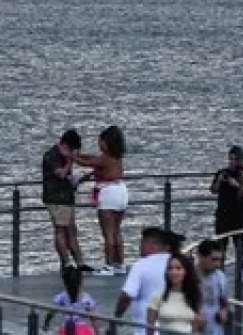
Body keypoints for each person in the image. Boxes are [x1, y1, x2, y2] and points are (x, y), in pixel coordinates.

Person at [75, 125, 129, 275]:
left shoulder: (104, 159)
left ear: (107, 143)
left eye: (101, 141)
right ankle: (120, 264)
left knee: (108, 233)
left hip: (109, 193)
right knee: (117, 231)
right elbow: (92, 158)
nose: (99, 143)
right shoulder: (116, 158)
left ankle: (109, 265)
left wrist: (72, 157)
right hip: (121, 191)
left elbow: (86, 163)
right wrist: (80, 154)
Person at [114, 227, 174, 335]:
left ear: (151, 245)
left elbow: (127, 296)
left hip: (146, 328)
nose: (139, 247)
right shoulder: (178, 264)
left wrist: (117, 315)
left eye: (142, 243)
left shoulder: (141, 265)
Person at [42, 129, 87, 271]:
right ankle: (66, 263)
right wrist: (70, 160)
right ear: (65, 145)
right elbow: (61, 174)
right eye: (71, 149)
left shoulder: (64, 155)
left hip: (67, 198)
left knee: (72, 231)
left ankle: (80, 263)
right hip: (56, 199)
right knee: (60, 230)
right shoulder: (52, 155)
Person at [208, 147, 243, 270]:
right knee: (221, 246)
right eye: (230, 159)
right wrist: (219, 180)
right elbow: (213, 190)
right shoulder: (222, 172)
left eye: (235, 159)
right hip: (223, 215)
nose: (232, 162)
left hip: (238, 216)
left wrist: (237, 185)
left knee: (240, 246)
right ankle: (219, 271)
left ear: (240, 160)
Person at [145, 252, 204, 335]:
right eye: (170, 268)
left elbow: (196, 329)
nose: (173, 272)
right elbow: (150, 327)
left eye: (178, 268)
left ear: (186, 271)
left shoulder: (194, 296)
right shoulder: (157, 296)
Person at [43, 265, 97, 335]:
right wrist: (97, 332)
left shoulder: (61, 297)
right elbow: (93, 319)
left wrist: (46, 325)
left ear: (65, 283)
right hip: (82, 330)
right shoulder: (86, 298)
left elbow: (50, 313)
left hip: (66, 329)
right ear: (80, 282)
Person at [194, 240, 231, 335]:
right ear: (200, 257)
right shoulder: (188, 277)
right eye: (214, 259)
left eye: (219, 260)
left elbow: (224, 302)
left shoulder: (220, 276)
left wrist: (224, 312)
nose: (218, 264)